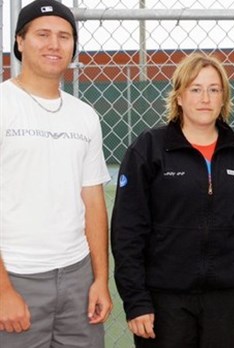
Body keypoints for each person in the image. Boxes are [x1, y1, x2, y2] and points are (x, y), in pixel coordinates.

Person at [111, 52, 234, 348]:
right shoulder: (149, 149)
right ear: (179, 96)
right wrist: (137, 301)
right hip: (164, 299)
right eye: (195, 89)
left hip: (227, 299)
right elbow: (127, 231)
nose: (205, 98)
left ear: (223, 98)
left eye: (213, 89)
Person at [0, 0, 112, 347]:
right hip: (16, 276)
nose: (54, 44)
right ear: (19, 41)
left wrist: (99, 280)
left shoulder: (85, 116)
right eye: (42, 34)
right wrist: (3, 289)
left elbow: (93, 201)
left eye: (64, 36)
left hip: (77, 277)